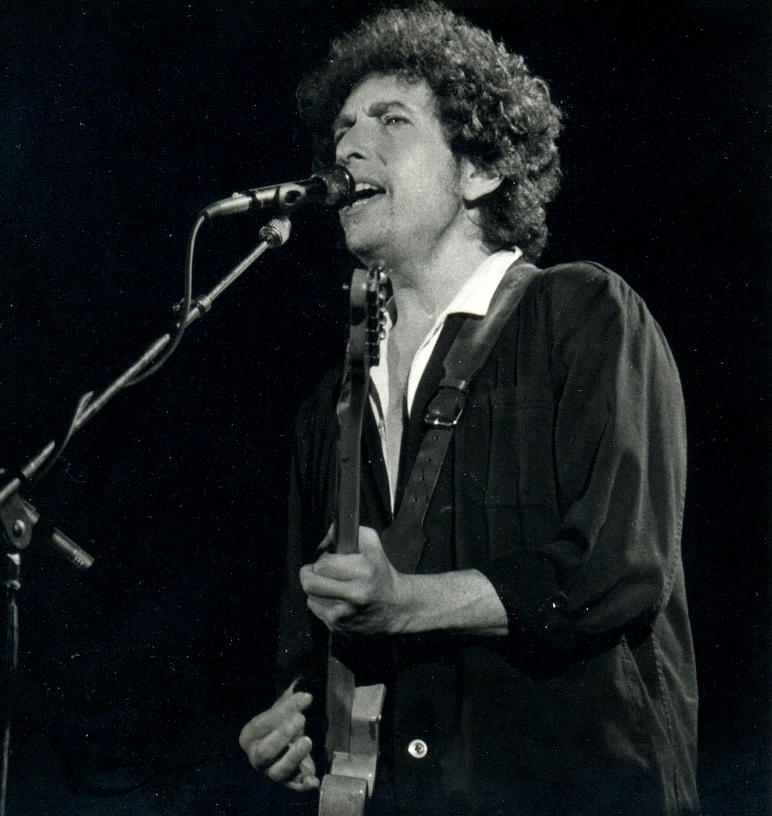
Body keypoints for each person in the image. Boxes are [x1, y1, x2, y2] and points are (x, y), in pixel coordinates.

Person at [238, 3, 699, 815]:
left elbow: (620, 566)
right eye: (343, 128)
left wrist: (406, 604)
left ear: (480, 169)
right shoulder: (328, 406)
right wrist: (292, 722)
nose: (349, 147)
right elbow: (310, 640)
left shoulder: (582, 314)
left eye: (392, 120)